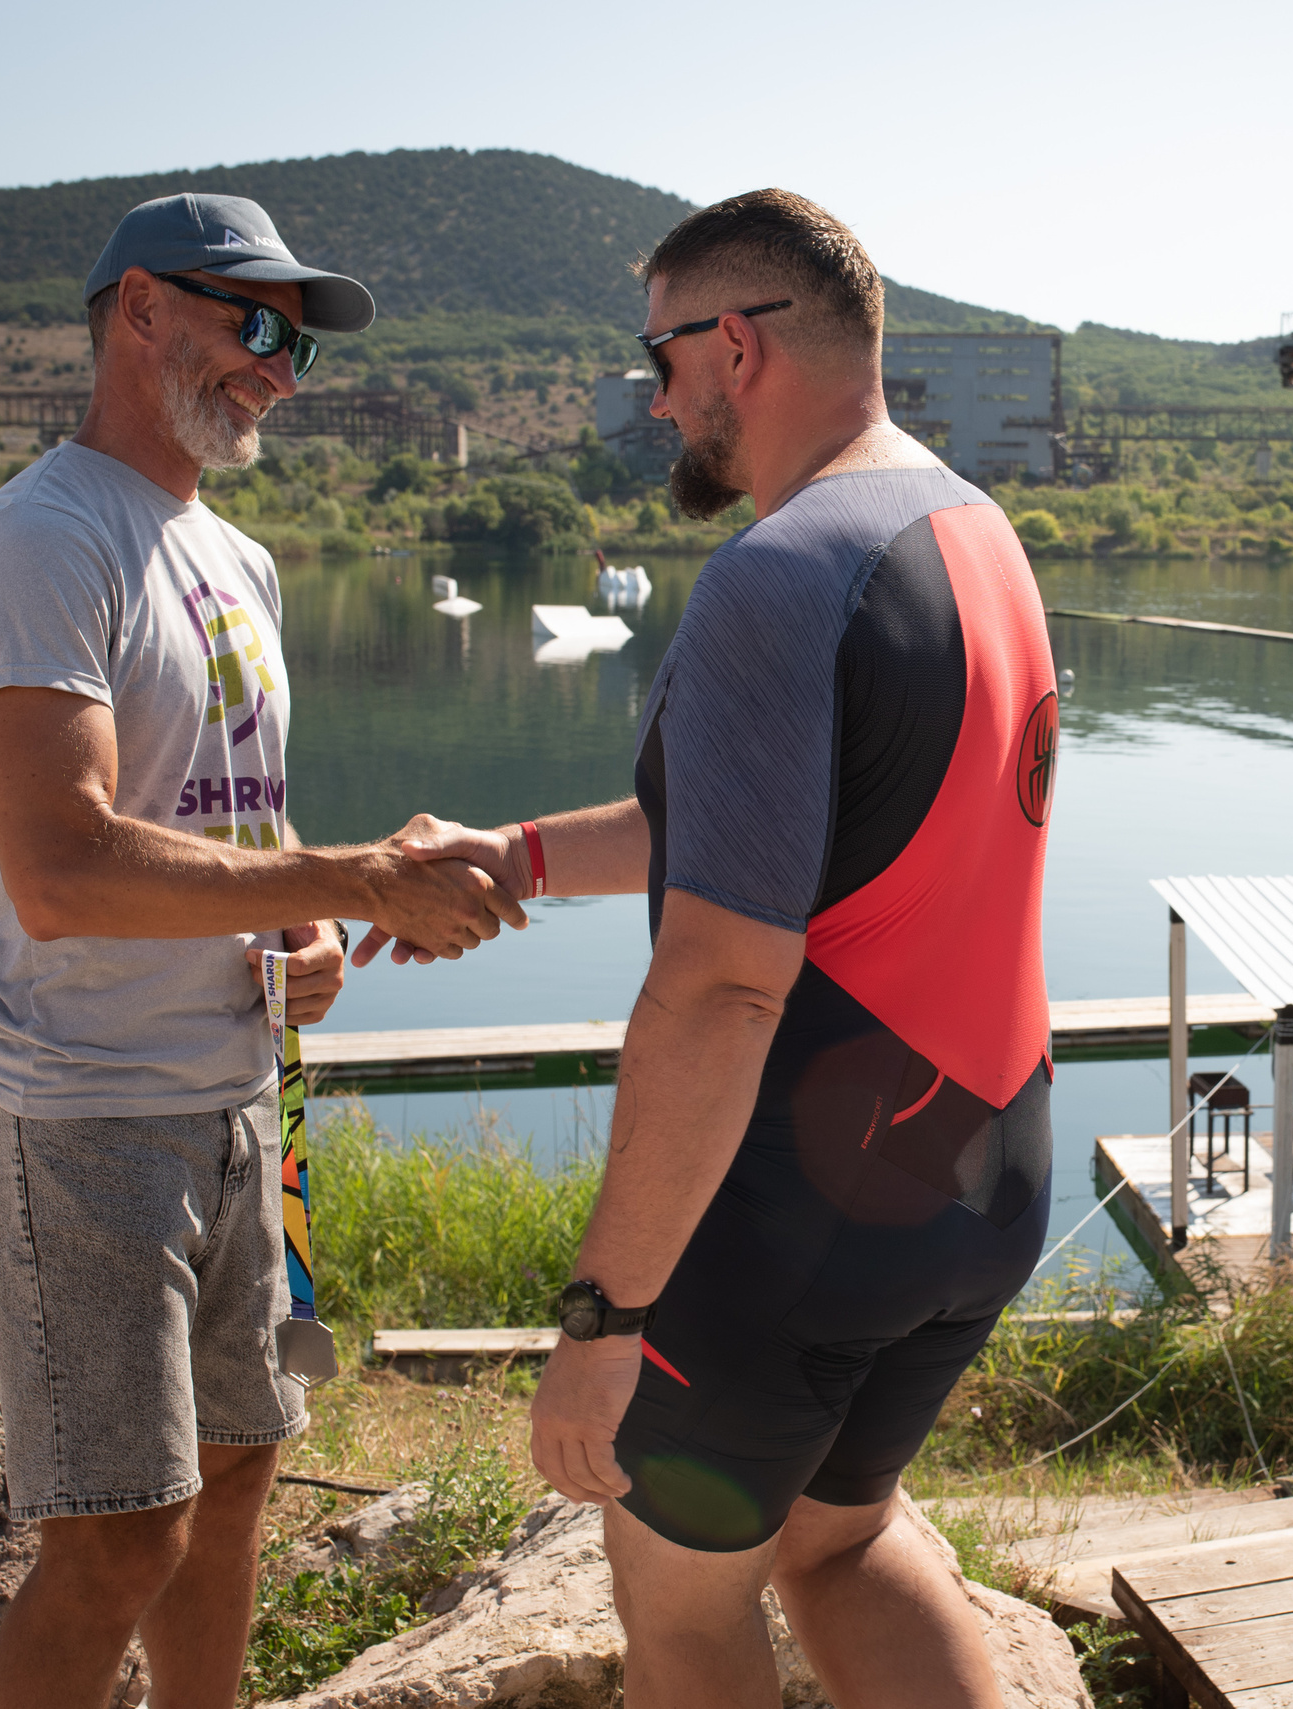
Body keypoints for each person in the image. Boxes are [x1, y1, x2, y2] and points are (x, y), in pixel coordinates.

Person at [370, 189, 1058, 1708]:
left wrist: (601, 1321)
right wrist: (523, 856)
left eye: (660, 357)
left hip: (802, 1215)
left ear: (734, 346)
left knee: (682, 1613)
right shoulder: (967, 530)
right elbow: (812, 837)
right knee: (843, 1547)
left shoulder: (776, 578)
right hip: (985, 1172)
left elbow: (724, 984)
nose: (656, 396)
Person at [0, 192, 526, 1709]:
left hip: (234, 1102)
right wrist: (356, 876)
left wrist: (303, 926)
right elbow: (59, 868)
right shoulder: (42, 545)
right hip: (84, 1115)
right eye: (254, 323)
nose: (276, 368)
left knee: (246, 1474)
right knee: (123, 1539)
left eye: (297, 348)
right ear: (140, 310)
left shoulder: (236, 561)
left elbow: (226, 827)